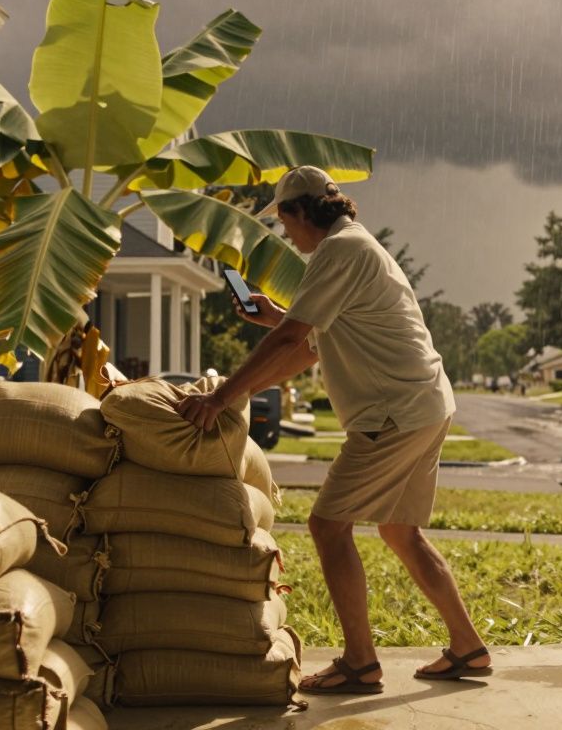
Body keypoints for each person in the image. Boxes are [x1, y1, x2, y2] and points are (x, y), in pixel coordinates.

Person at [174, 166, 491, 694]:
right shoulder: (353, 247)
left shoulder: (339, 252)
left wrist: (220, 397)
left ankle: (360, 663)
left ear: (301, 212)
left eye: (284, 221)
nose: (285, 234)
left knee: (328, 525)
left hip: (393, 413)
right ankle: (468, 647)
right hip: (427, 405)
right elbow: (305, 345)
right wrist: (277, 320)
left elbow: (291, 342)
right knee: (399, 531)